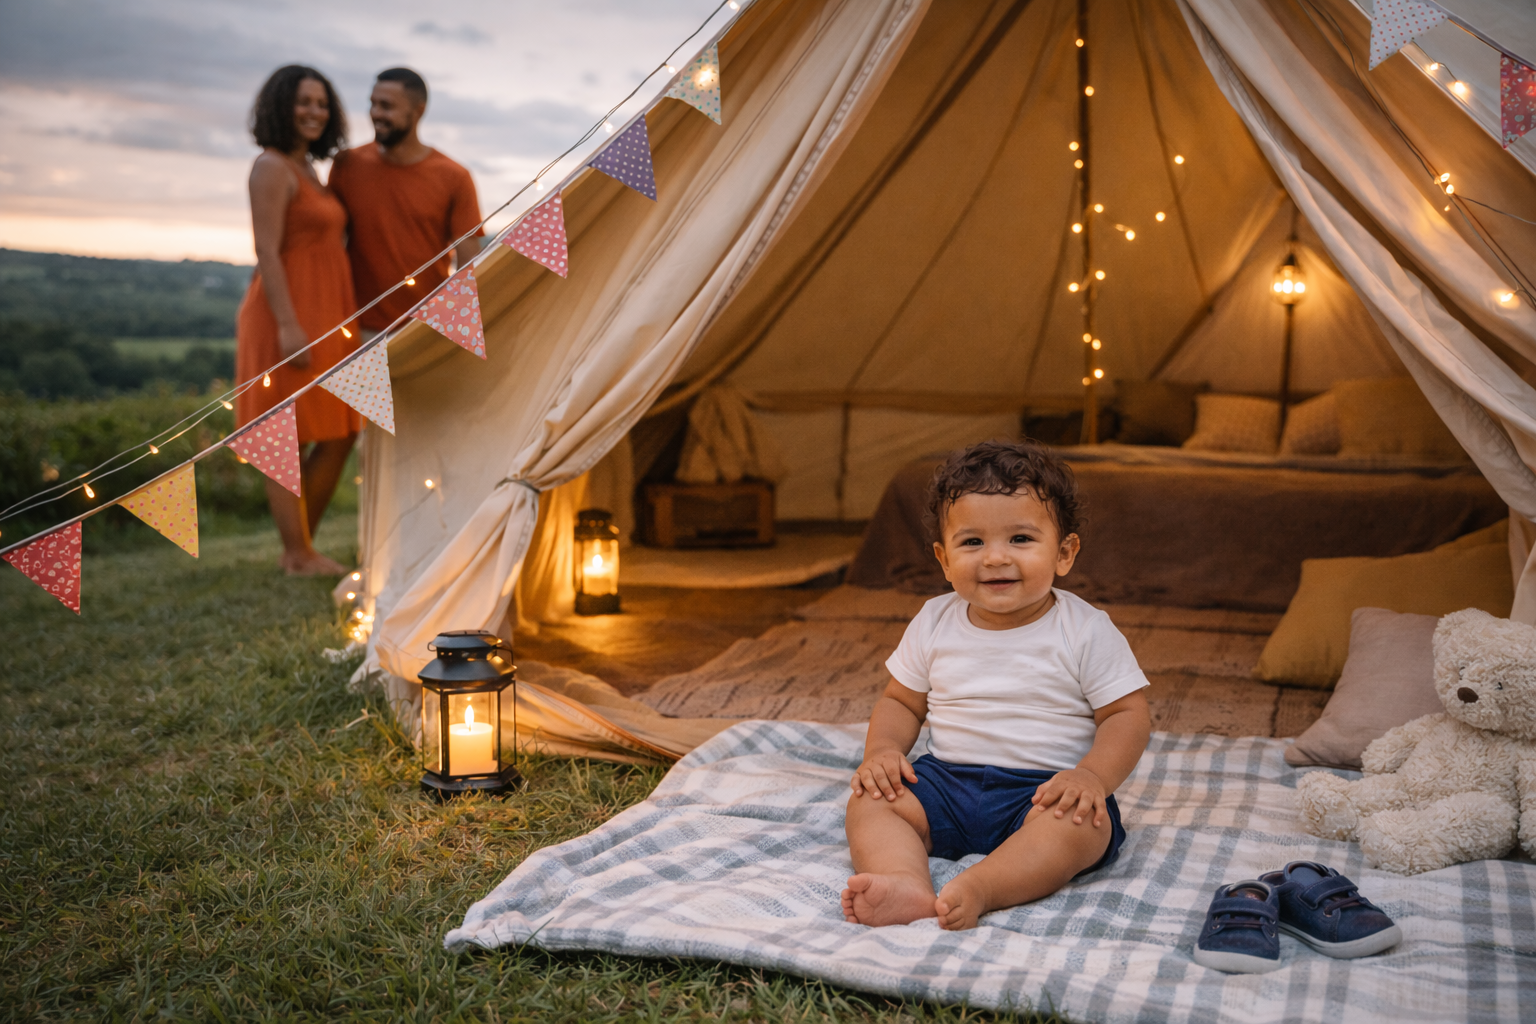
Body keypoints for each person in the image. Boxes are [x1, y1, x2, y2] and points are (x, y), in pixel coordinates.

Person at [841, 440, 1152, 931]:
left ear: (1064, 553)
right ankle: (903, 880)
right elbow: (901, 700)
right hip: (944, 781)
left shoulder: (1085, 628)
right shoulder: (933, 619)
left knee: (1080, 827)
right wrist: (881, 751)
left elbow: (1127, 715)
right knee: (870, 802)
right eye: (972, 543)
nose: (995, 558)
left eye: (1021, 539)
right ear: (944, 560)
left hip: (1045, 790)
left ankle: (985, 885)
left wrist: (1091, 777)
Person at [236, 65, 359, 576]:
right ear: (281, 106)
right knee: (282, 434)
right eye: (303, 101)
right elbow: (266, 248)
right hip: (284, 314)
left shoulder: (308, 169)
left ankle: (299, 545)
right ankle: (299, 555)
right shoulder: (270, 167)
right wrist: (288, 325)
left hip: (328, 312)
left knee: (339, 429)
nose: (314, 111)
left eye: (322, 103)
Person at [329, 67, 483, 339]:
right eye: (373, 104)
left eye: (387, 106)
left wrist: (454, 330)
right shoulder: (347, 166)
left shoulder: (454, 177)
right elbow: (328, 241)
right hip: (355, 331)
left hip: (425, 332)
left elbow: (468, 264)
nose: (376, 113)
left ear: (418, 111)